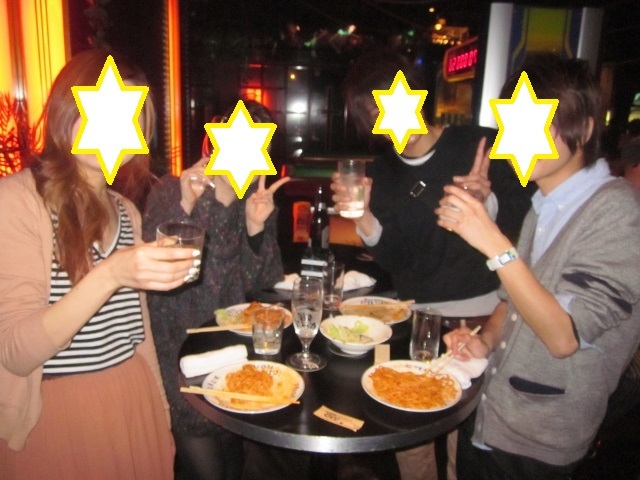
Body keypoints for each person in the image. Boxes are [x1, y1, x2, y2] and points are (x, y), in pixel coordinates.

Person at [331, 49, 533, 480]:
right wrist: (363, 220)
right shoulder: (383, 171)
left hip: (480, 323)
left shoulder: (478, 144)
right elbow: (398, 260)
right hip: (417, 323)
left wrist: (487, 203)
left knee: (468, 451)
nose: (385, 123)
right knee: (412, 447)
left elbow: (531, 219)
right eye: (372, 116)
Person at [0, 48, 199, 479]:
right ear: (66, 109)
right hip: (57, 419)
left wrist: (160, 414)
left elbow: (137, 334)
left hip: (133, 402)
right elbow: (15, 352)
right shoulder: (15, 201)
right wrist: (109, 275)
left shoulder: (127, 212)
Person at [438, 55, 640, 480]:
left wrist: (492, 240)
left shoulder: (619, 211)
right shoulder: (544, 205)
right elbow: (513, 300)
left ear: (585, 128)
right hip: (492, 418)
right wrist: (485, 341)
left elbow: (564, 336)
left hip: (541, 444)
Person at [142, 100, 290, 480]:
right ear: (215, 141)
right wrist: (186, 206)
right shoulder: (173, 190)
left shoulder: (254, 199)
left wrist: (256, 228)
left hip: (231, 353)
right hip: (179, 353)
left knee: (233, 459)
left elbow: (264, 282)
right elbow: (162, 276)